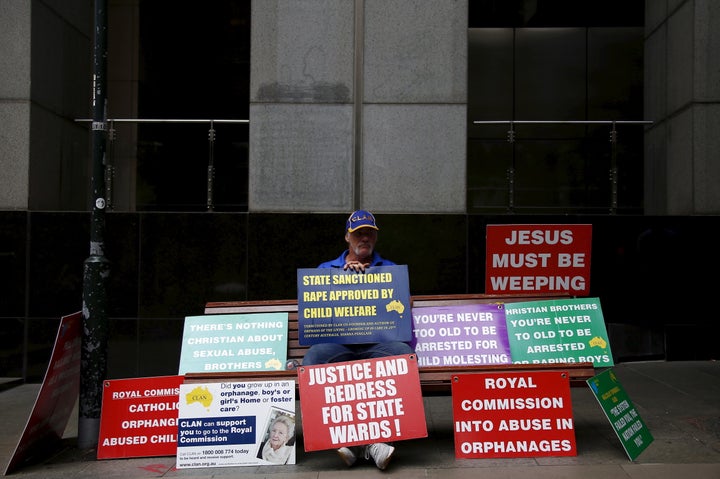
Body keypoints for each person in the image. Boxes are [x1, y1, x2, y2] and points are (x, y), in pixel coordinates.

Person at [303, 209, 415, 470]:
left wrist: (373, 282)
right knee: (314, 358)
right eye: (358, 233)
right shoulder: (326, 269)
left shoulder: (389, 269)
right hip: (339, 343)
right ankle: (370, 445)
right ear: (347, 237)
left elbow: (401, 313)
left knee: (402, 356)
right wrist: (344, 279)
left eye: (369, 233)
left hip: (377, 343)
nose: (364, 238)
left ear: (375, 237)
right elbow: (316, 314)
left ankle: (356, 444)